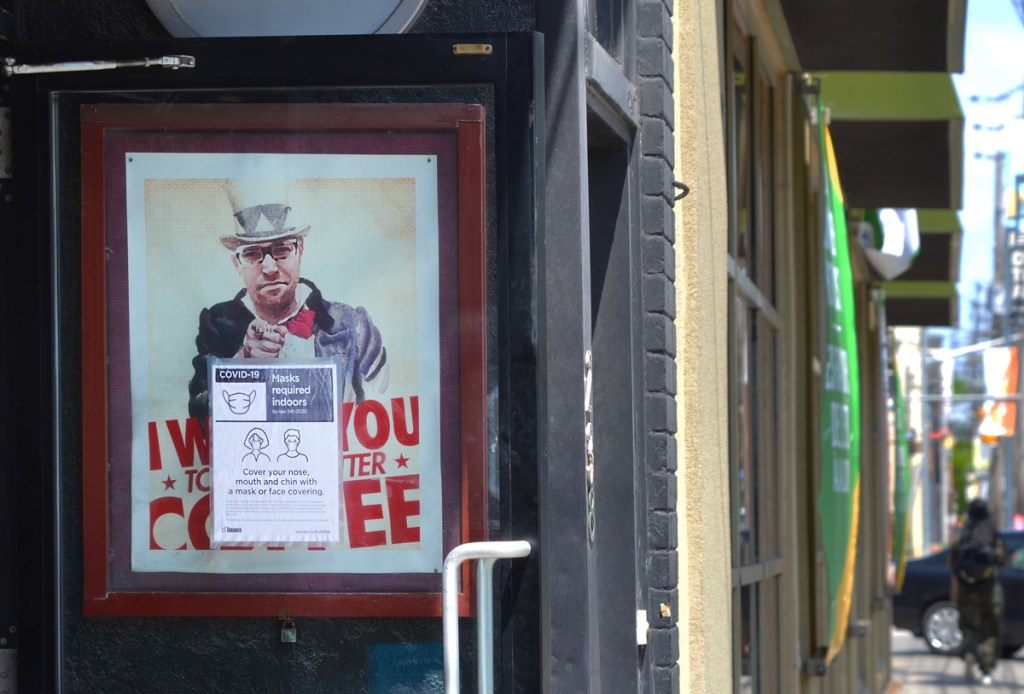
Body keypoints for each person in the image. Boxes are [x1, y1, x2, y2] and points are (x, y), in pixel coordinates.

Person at [188, 179, 388, 420]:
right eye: (252, 254)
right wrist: (244, 363)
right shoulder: (216, 327)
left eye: (282, 249)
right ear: (237, 264)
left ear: (299, 250)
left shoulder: (353, 325)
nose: (270, 267)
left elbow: (385, 408)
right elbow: (200, 417)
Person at [949, 498, 1005, 685]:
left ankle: (969, 653)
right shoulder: (992, 537)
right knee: (990, 630)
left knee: (968, 627)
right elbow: (1002, 561)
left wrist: (954, 596)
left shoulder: (963, 537)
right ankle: (987, 670)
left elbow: (953, 568)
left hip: (966, 591)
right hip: (990, 591)